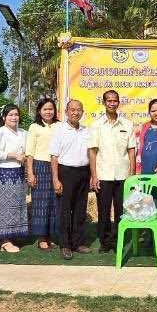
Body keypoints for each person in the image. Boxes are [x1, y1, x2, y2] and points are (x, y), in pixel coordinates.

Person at [88, 90, 134, 253]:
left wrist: (132, 173)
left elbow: (131, 150)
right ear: (104, 102)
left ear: (118, 103)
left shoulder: (127, 124)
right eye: (109, 100)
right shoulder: (96, 125)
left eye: (115, 100)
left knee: (122, 210)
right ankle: (105, 242)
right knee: (104, 210)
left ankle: (119, 239)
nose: (112, 103)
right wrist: (94, 176)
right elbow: (92, 151)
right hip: (103, 175)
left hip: (123, 175)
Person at [49, 99, 92, 260]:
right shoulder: (59, 130)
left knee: (80, 210)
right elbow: (54, 157)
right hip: (65, 172)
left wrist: (91, 175)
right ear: (66, 112)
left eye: (78, 109)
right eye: (72, 109)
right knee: (64, 211)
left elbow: (90, 154)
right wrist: (56, 179)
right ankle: (65, 245)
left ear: (82, 112)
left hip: (83, 172)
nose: (75, 112)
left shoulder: (86, 130)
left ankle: (78, 242)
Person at [0, 104, 28, 253]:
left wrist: (24, 157)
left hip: (19, 172)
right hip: (5, 173)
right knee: (6, 206)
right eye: (10, 115)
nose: (14, 117)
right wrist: (13, 155)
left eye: (16, 114)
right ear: (4, 117)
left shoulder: (23, 132)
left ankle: (14, 234)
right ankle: (4, 240)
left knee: (18, 204)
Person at [25, 98, 59, 249]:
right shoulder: (34, 127)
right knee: (40, 203)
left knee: (54, 202)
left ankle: (50, 235)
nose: (48, 112)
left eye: (51, 109)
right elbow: (29, 152)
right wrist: (30, 173)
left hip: (57, 166)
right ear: (39, 111)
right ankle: (41, 238)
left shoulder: (60, 126)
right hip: (40, 166)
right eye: (45, 109)